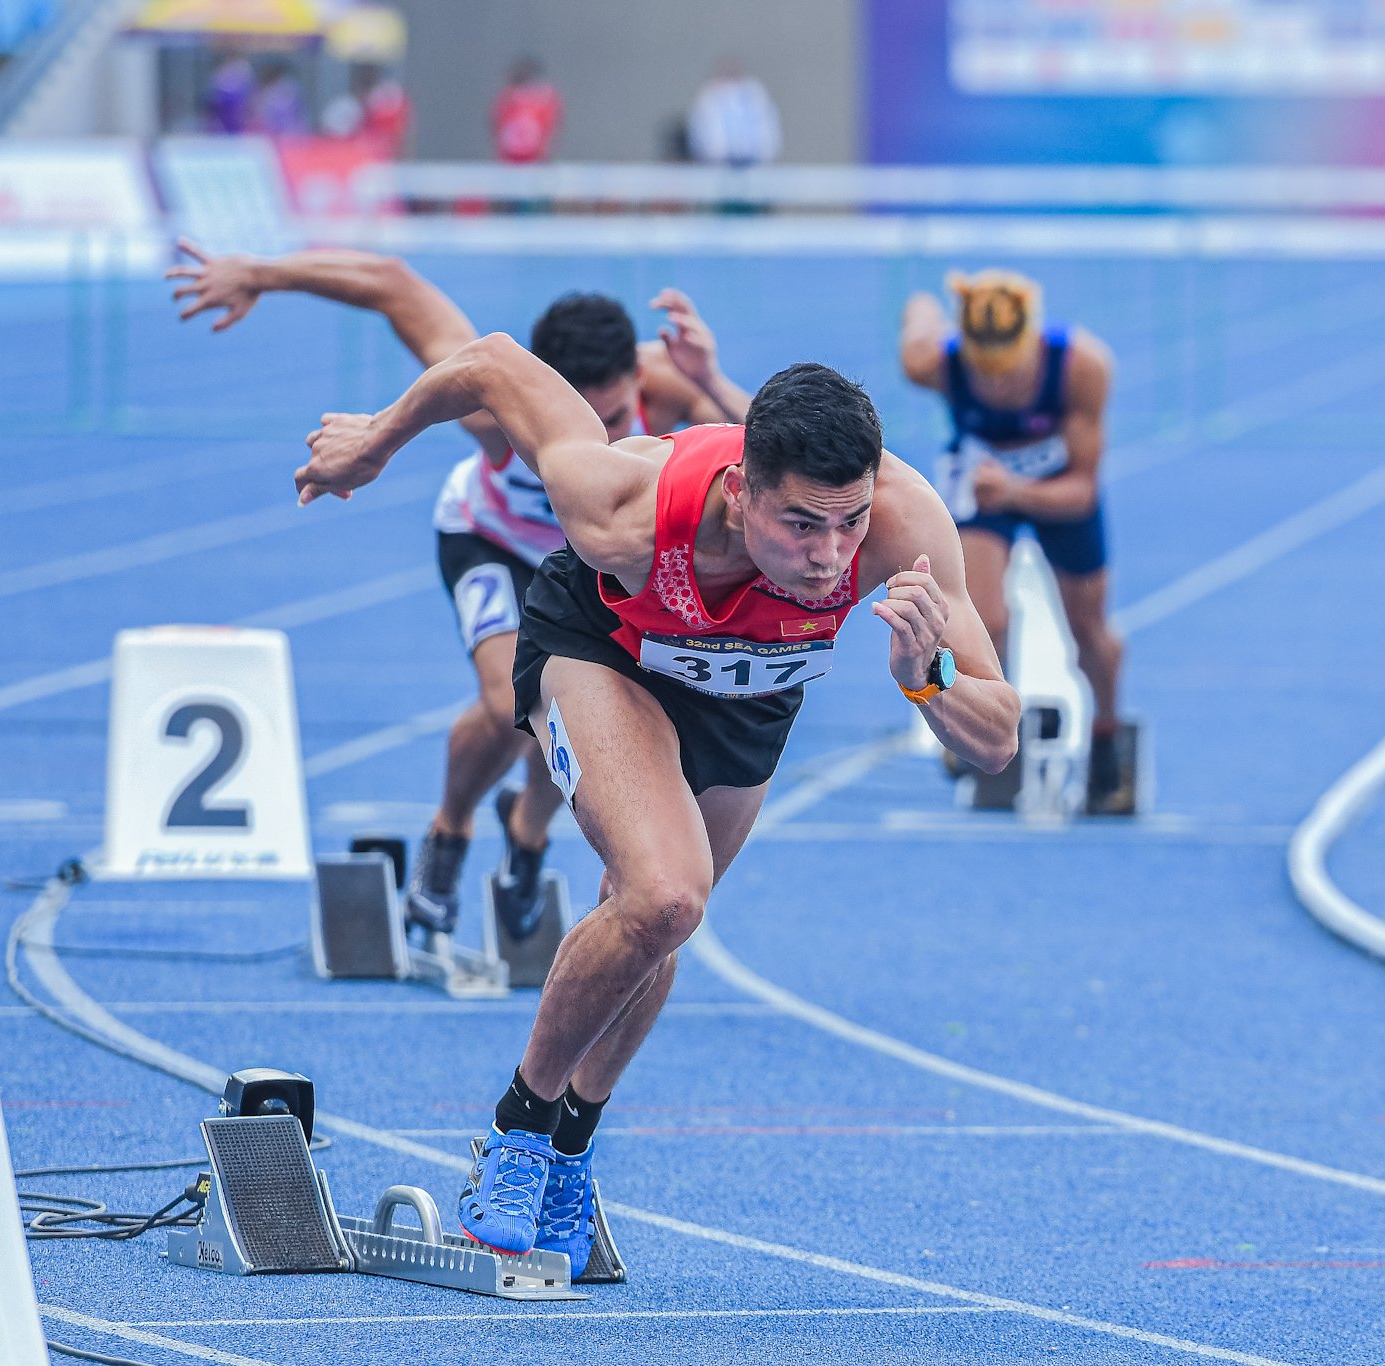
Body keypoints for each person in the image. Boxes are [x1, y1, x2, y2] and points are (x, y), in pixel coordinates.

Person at [295, 340, 1020, 1267]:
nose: (830, 556)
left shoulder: (907, 526)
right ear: (739, 491)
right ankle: (516, 1133)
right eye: (800, 524)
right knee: (666, 890)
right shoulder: (623, 505)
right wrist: (379, 441)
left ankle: (569, 1149)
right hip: (607, 650)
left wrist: (929, 681)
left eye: (849, 525)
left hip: (752, 691)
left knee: (655, 922)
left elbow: (997, 738)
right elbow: (494, 365)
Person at [165, 240, 754, 942]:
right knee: (512, 699)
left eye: (617, 421)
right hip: (493, 541)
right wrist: (257, 271)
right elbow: (392, 283)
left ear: (637, 380)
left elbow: (782, 463)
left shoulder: (671, 388)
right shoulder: (498, 404)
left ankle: (527, 829)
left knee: (571, 720)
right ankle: (449, 829)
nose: (601, 446)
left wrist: (715, 382)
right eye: (580, 426)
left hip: (602, 566)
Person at [898, 268, 1137, 814]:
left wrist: (1014, 487)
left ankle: (1106, 736)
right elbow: (917, 326)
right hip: (983, 494)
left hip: (1055, 492)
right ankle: (979, 721)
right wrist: (922, 306)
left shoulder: (1082, 368)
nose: (998, 383)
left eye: (1010, 370)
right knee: (983, 620)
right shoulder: (934, 365)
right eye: (986, 371)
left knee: (1091, 631)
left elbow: (1081, 492)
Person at [686, 59, 782, 168]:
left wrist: (766, 154)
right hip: (717, 163)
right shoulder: (708, 98)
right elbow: (701, 132)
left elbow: (767, 128)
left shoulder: (755, 95)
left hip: (754, 162)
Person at [493, 57, 561, 165]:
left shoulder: (546, 101)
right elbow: (497, 127)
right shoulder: (506, 100)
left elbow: (549, 130)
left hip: (533, 162)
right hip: (510, 162)